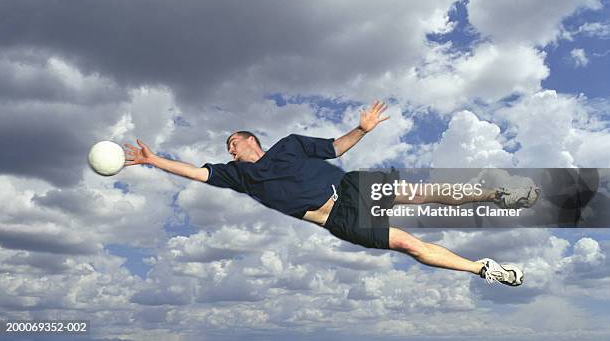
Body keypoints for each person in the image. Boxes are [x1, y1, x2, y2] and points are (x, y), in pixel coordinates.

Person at [125, 101, 539, 286]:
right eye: (227, 149)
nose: (228, 150)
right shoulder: (237, 176)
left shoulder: (288, 143)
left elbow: (335, 147)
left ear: (250, 139)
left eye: (232, 143)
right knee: (409, 245)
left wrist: (362, 129)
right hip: (337, 219)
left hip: (350, 186)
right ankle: (483, 268)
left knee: (425, 194)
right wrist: (154, 159)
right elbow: (195, 173)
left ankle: (498, 194)